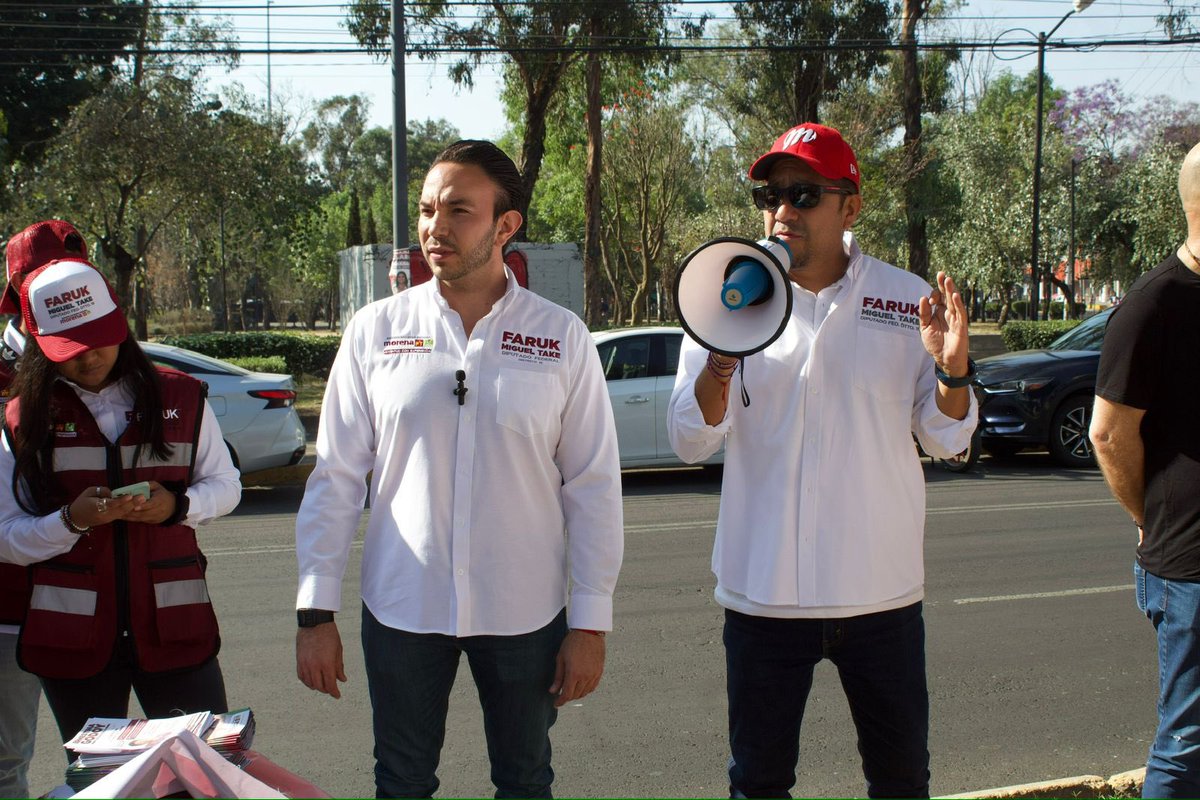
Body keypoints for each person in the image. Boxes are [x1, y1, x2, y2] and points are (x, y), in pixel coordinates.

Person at [294, 140, 624, 799]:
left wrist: (589, 621)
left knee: (525, 780)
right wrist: (314, 610)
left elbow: (591, 486)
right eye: (426, 210)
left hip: (524, 614)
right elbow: (334, 477)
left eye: (458, 210)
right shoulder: (376, 331)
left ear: (506, 224)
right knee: (402, 781)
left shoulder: (559, 337)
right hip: (401, 610)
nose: (435, 227)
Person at [667, 123, 978, 799]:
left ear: (851, 207)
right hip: (763, 598)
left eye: (804, 193)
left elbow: (947, 439)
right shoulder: (726, 294)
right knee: (758, 782)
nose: (783, 210)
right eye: (771, 194)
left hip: (880, 597)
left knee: (900, 781)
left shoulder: (905, 300)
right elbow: (691, 439)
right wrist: (721, 356)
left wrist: (952, 372)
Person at [0, 258, 241, 749]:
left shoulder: (182, 397)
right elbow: (7, 537)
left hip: (176, 629)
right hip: (72, 638)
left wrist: (177, 505)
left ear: (120, 325)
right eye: (70, 350)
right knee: (99, 781)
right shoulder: (22, 419)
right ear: (42, 348)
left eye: (97, 341)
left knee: (205, 771)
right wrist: (71, 521)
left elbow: (227, 485)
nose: (88, 359)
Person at [1090, 140, 1200, 798]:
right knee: (1187, 742)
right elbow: (1107, 433)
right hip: (1191, 566)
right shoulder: (1155, 304)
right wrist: (1148, 517)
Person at [0, 220, 87, 797]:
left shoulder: (103, 366)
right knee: (7, 765)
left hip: (94, 601)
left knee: (102, 761)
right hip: (11, 604)